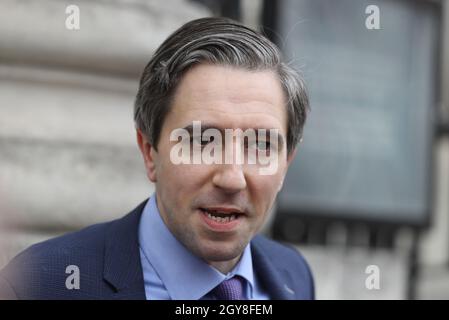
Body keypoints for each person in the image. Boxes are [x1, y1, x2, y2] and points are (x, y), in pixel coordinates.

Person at [0, 17, 314, 300]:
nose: (231, 178)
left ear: (286, 161)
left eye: (259, 145)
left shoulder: (294, 275)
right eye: (202, 142)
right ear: (150, 151)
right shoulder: (39, 284)